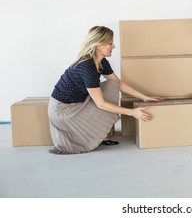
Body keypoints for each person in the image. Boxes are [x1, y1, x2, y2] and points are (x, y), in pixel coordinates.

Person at [48, 26, 163, 154]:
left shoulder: (101, 62)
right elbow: (101, 104)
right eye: (110, 43)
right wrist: (132, 112)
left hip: (79, 103)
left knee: (112, 85)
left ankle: (101, 134)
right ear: (98, 45)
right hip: (64, 110)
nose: (113, 46)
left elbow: (118, 84)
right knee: (105, 100)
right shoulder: (87, 67)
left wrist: (144, 97)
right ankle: (100, 135)